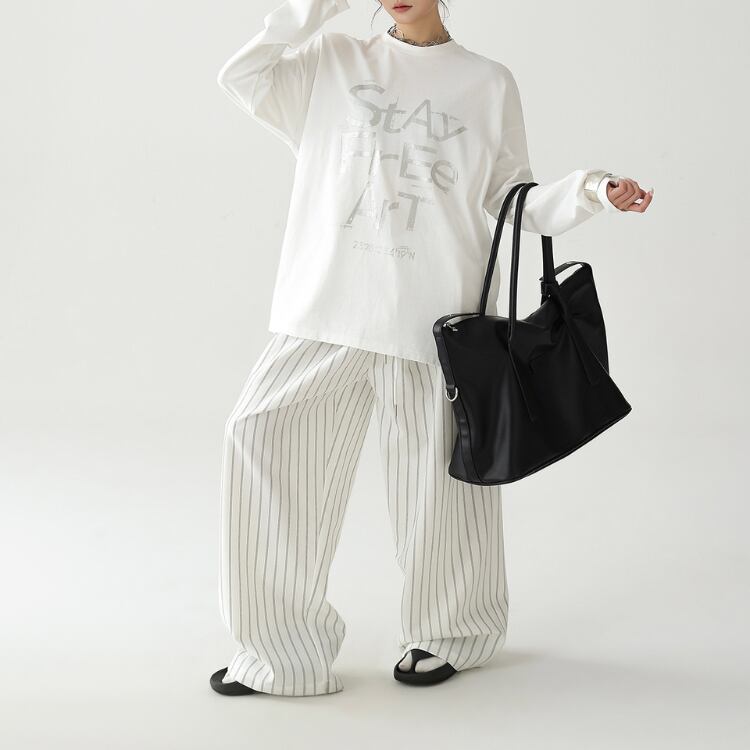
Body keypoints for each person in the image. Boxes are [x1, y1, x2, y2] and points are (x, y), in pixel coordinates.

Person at [210, 0, 653, 697]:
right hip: (324, 307)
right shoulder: (333, 60)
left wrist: (593, 190)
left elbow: (512, 196)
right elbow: (243, 76)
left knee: (441, 490)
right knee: (260, 438)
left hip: (434, 315)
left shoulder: (486, 81)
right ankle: (279, 654)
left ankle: (453, 633)